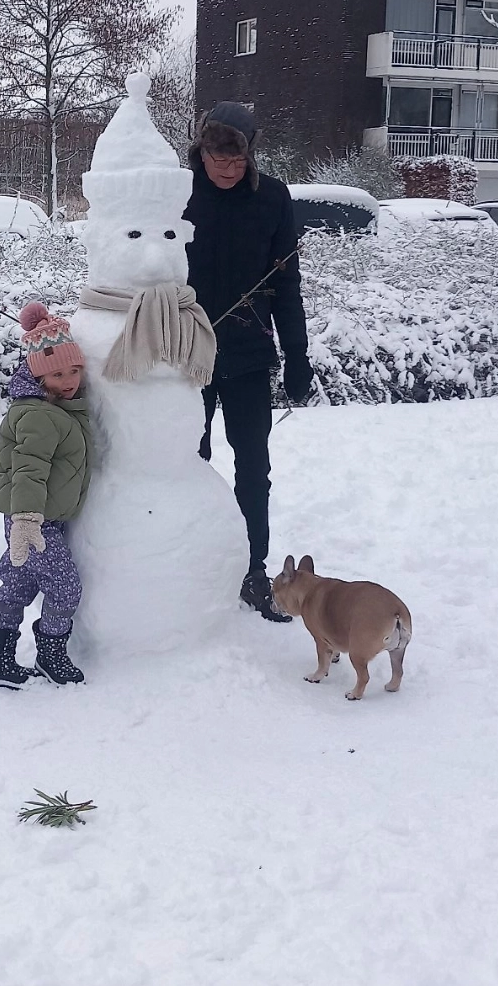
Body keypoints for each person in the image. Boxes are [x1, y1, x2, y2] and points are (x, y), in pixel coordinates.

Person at [185, 102, 314, 623]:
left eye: (238, 159)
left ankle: (251, 568)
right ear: (202, 151)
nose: (228, 168)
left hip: (248, 355)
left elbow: (286, 283)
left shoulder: (272, 199)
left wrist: (297, 355)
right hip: (185, 354)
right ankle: (188, 562)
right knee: (186, 463)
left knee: (252, 467)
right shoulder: (178, 195)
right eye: (219, 157)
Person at [0, 302, 92, 689]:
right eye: (58, 373)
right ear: (38, 375)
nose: (69, 380)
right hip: (33, 519)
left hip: (30, 515)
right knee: (64, 586)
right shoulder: (40, 415)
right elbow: (28, 468)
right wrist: (27, 520)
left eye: (74, 370)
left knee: (18, 583)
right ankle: (52, 655)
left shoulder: (51, 409)